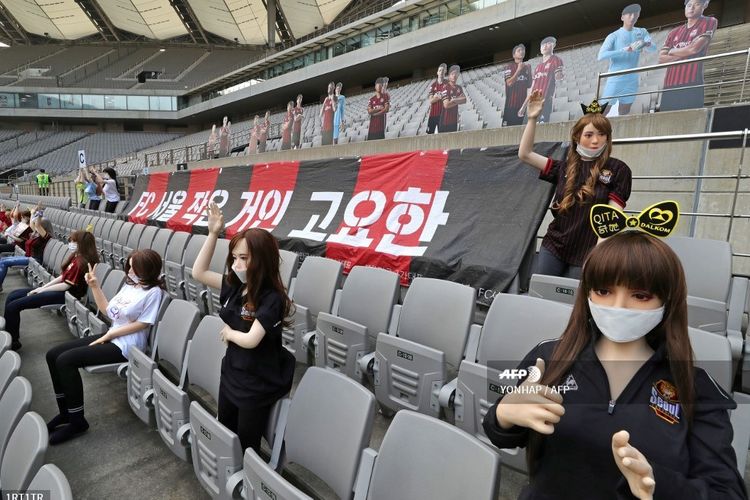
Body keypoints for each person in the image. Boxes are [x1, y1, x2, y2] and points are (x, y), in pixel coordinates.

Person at [482, 231, 747, 499]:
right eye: (604, 291)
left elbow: (727, 492)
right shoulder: (549, 357)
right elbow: (504, 434)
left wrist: (661, 485)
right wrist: (503, 414)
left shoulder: (696, 388)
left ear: (667, 301)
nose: (619, 307)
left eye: (640, 295)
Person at [192, 202, 294, 454]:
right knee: (225, 432)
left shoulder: (272, 298)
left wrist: (229, 333)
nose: (236, 264)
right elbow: (199, 272)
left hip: (256, 382)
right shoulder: (236, 286)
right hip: (232, 372)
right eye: (234, 258)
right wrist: (213, 233)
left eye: (244, 259)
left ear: (262, 260)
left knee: (247, 444)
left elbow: (251, 339)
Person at [44, 249, 165, 444]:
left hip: (128, 344)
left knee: (66, 361)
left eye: (136, 267)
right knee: (53, 354)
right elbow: (107, 310)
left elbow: (143, 324)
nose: (131, 270)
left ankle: (77, 420)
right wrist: (94, 286)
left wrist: (110, 334)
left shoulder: (154, 292)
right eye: (130, 266)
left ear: (148, 269)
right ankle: (65, 412)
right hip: (112, 335)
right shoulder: (130, 285)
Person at [518, 92, 632, 278]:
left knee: (573, 303)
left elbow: (611, 220)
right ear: (577, 137)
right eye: (589, 134)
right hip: (554, 247)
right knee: (542, 294)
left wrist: (598, 255)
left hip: (589, 252)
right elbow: (525, 154)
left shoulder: (619, 170)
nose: (596, 140)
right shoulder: (564, 167)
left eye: (602, 134)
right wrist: (532, 119)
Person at [3, 230, 97, 351]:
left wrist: (42, 290)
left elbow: (65, 286)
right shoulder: (76, 257)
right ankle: (9, 337)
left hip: (66, 295)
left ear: (82, 244)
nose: (71, 243)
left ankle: (12, 342)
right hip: (59, 291)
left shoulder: (81, 262)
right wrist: (43, 287)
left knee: (13, 306)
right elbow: (63, 277)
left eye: (74, 241)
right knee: (13, 295)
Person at [658, 0, 717, 112]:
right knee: (666, 121)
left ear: (705, 5)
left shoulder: (709, 22)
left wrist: (671, 51)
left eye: (697, 4)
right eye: (689, 5)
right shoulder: (674, 32)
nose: (692, 8)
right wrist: (685, 53)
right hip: (669, 86)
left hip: (692, 84)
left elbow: (694, 48)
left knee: (689, 122)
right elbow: (661, 58)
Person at [597, 4, 655, 116]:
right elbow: (601, 55)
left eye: (636, 14)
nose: (632, 17)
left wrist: (646, 43)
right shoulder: (614, 35)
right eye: (629, 14)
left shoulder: (642, 32)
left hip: (632, 78)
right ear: (622, 17)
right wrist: (623, 50)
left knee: (624, 110)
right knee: (603, 111)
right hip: (615, 78)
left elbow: (653, 48)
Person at [0, 206, 51, 291]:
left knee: (4, 262)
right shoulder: (35, 234)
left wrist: (39, 213)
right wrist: (32, 213)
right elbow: (33, 224)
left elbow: (37, 225)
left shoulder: (45, 237)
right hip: (28, 257)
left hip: (34, 259)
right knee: (2, 260)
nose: (34, 226)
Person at [520, 36, 564, 123]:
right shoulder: (538, 67)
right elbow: (532, 89)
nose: (545, 46)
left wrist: (560, 76)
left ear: (554, 45)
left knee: (539, 131)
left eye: (548, 43)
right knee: (526, 130)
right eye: (543, 44)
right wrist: (523, 107)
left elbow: (559, 81)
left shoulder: (556, 60)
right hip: (532, 103)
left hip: (545, 102)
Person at [502, 45, 532, 126]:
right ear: (514, 55)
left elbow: (529, 85)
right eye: (519, 50)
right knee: (508, 130)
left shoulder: (527, 67)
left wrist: (529, 71)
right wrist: (518, 70)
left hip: (522, 106)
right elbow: (509, 83)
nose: (522, 52)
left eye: (523, 50)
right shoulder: (509, 67)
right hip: (511, 105)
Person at [441, 65, 467, 133]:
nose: (454, 76)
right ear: (449, 75)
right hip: (444, 121)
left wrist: (454, 100)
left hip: (454, 120)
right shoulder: (445, 87)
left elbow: (464, 100)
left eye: (456, 74)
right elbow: (446, 105)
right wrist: (459, 100)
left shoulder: (459, 88)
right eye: (452, 74)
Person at [426, 64, 448, 134]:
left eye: (443, 70)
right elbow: (431, 100)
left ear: (445, 72)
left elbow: (447, 98)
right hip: (432, 115)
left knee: (443, 136)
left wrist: (436, 96)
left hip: (443, 115)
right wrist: (440, 96)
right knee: (429, 135)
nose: (441, 72)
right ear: (437, 72)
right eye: (440, 70)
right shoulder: (433, 85)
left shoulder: (448, 84)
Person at [320, 82, 336, 146]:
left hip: (331, 126)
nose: (329, 89)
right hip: (324, 127)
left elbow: (335, 109)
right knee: (323, 145)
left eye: (330, 87)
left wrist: (332, 100)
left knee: (329, 145)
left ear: (333, 88)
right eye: (328, 87)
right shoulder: (326, 99)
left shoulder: (335, 97)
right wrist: (324, 104)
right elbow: (321, 114)